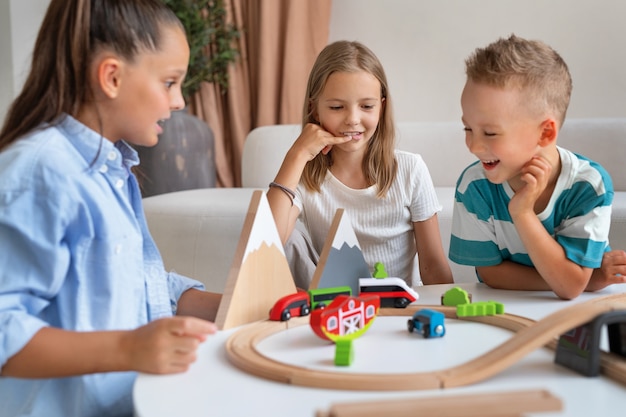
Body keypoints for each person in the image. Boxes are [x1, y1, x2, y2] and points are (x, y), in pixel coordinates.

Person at [0, 1, 222, 415]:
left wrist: (236, 305)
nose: (178, 102)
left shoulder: (113, 171)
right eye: (170, 82)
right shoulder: (42, 173)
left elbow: (140, 284)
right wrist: (128, 347)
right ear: (112, 77)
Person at [449, 34, 626, 300]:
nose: (473, 146)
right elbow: (490, 274)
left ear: (544, 134)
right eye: (468, 128)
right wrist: (587, 280)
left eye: (490, 133)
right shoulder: (474, 185)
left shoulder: (589, 185)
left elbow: (569, 288)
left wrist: (522, 214)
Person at [267, 40, 454, 289]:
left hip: (394, 307)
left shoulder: (410, 169)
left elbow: (432, 266)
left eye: (366, 106)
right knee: (289, 235)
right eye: (336, 107)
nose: (353, 119)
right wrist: (297, 154)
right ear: (315, 110)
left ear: (381, 107)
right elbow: (267, 244)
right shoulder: (304, 174)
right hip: (334, 301)